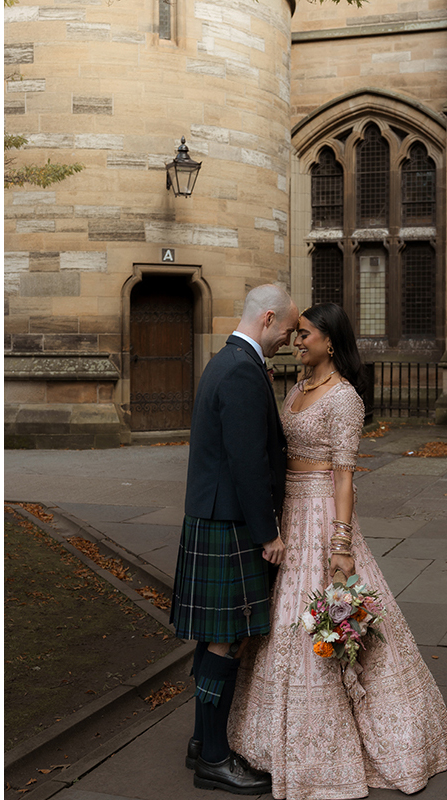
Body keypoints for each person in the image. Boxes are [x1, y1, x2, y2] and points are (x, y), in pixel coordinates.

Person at [228, 303, 447, 799]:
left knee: (329, 622)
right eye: (297, 333)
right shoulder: (296, 389)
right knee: (284, 623)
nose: (297, 341)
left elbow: (345, 476)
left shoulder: (344, 398)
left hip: (323, 514)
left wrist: (341, 544)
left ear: (330, 342)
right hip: (289, 511)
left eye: (305, 334)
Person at [171, 283, 299, 794]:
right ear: (268, 319)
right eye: (288, 329)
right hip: (230, 521)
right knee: (226, 639)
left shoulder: (223, 360)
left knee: (215, 637)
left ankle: (203, 742)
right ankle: (216, 760)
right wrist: (268, 532)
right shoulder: (243, 371)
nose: (289, 339)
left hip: (213, 515)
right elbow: (248, 462)